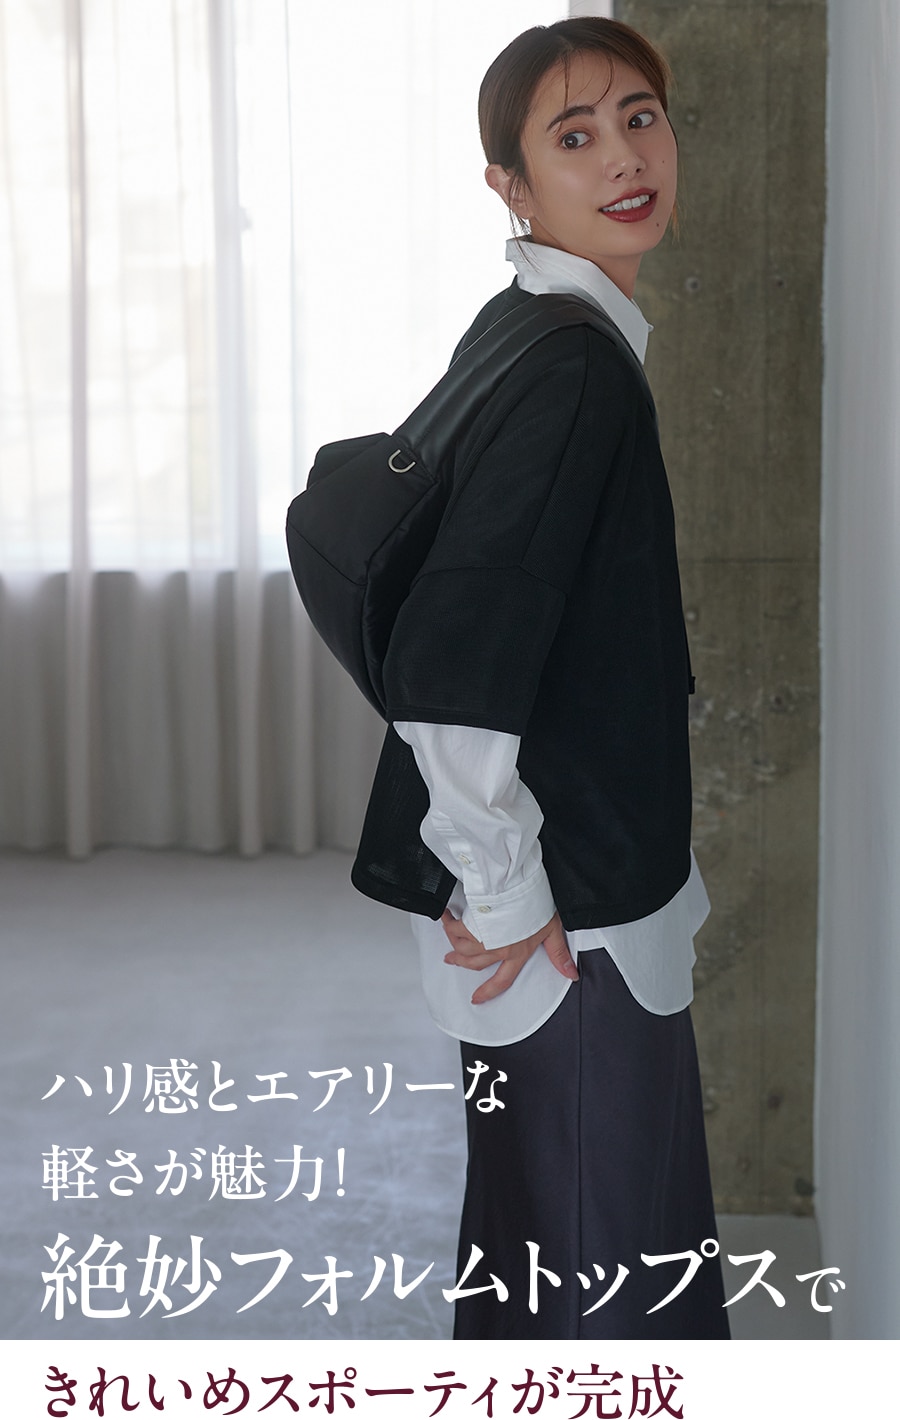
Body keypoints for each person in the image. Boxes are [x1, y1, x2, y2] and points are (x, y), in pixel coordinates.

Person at [351, 16, 730, 1340]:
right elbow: (456, 654)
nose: (625, 157)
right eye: (575, 136)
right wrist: (507, 890)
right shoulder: (572, 368)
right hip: (568, 918)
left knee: (547, 1247)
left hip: (567, 888)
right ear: (510, 184)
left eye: (641, 117)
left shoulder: (536, 326)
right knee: (604, 1272)